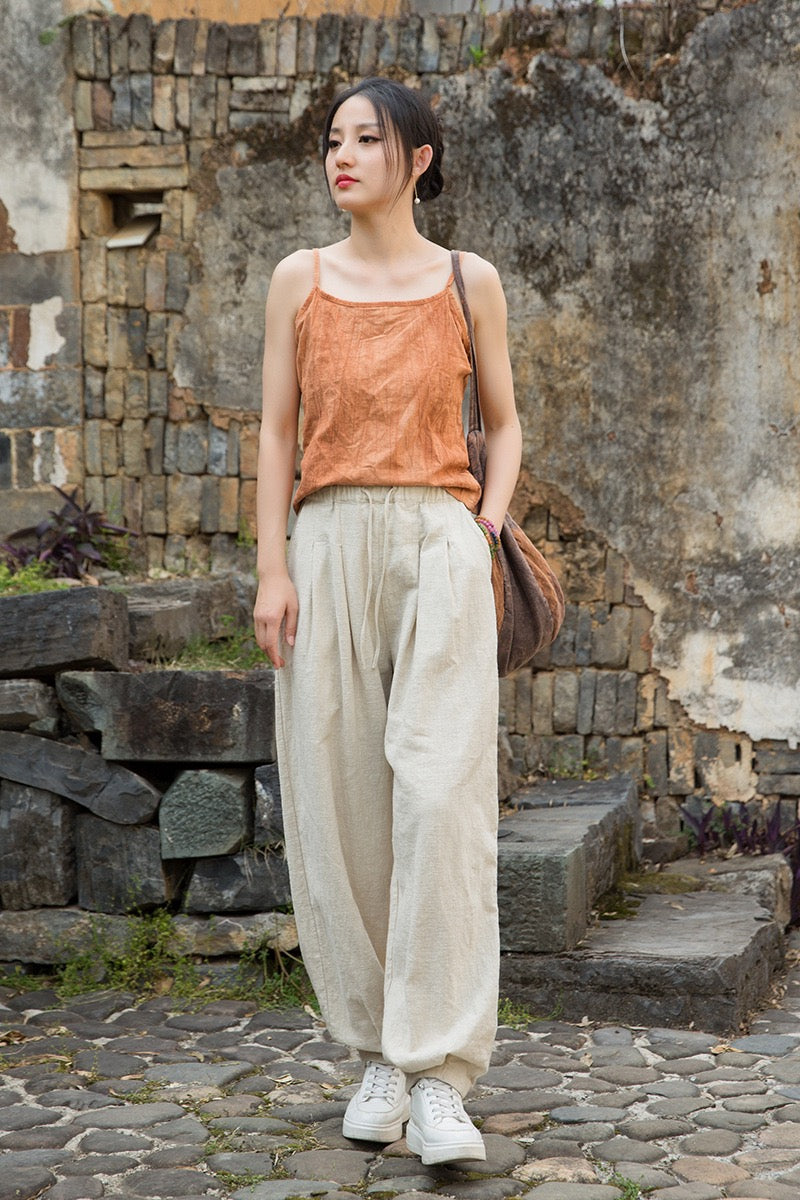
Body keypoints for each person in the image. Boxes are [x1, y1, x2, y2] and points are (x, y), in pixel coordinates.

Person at [253, 76, 522, 1167]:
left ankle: (442, 1077)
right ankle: (377, 1054)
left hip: (438, 540)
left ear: (418, 159)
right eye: (333, 139)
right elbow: (276, 433)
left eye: (368, 139)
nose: (343, 154)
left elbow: (504, 425)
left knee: (443, 803)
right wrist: (271, 567)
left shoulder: (467, 280)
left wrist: (482, 529)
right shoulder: (299, 279)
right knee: (339, 806)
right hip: (324, 545)